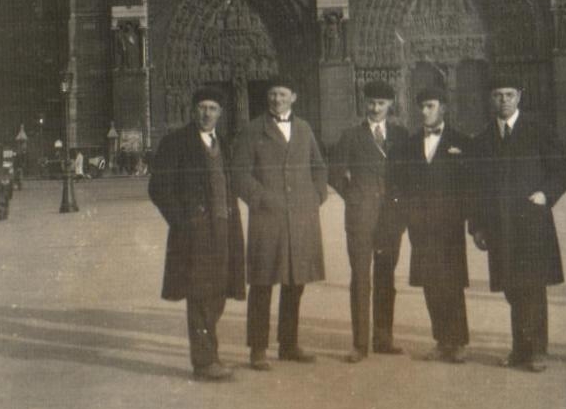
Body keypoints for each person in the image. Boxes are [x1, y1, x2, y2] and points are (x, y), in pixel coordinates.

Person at [468, 78, 566, 371]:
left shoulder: (538, 131)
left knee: (533, 287)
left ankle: (537, 351)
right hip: (500, 226)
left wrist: (546, 194)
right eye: (498, 95)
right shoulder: (484, 139)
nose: (504, 100)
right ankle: (520, 349)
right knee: (512, 289)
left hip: (532, 223)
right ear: (491, 98)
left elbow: (561, 169)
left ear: (519, 97)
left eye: (509, 94)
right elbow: (475, 187)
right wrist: (477, 226)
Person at [147, 87, 246, 382]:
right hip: (194, 232)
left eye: (213, 108)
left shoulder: (223, 144)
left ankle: (209, 353)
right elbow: (158, 189)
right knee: (200, 294)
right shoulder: (175, 142)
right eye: (202, 107)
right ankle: (204, 362)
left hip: (224, 229)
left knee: (217, 293)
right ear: (192, 110)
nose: (207, 113)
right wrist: (182, 222)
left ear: (220, 113)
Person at [231, 79, 328, 370]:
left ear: (293, 97)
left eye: (283, 94)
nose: (277, 99)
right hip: (267, 220)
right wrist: (260, 199)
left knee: (295, 283)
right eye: (272, 94)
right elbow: (239, 174)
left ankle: (289, 344)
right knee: (262, 284)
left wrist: (316, 196)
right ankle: (258, 349)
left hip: (301, 218)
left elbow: (319, 167)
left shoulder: (305, 129)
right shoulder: (252, 130)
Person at [330, 80, 408, 362]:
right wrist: (354, 196)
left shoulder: (401, 135)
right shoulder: (351, 135)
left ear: (390, 104)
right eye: (371, 103)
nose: (376, 108)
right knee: (361, 278)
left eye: (381, 103)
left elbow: (408, 174)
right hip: (360, 217)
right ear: (365, 104)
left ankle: (384, 339)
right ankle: (360, 344)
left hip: (391, 218)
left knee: (386, 276)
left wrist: (399, 202)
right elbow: (335, 173)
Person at [395, 79, 470, 362]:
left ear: (443, 109)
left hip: (449, 228)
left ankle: (459, 341)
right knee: (430, 284)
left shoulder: (461, 142)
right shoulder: (410, 145)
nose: (425, 112)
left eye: (430, 106)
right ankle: (441, 340)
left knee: (451, 283)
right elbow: (401, 184)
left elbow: (469, 185)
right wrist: (409, 216)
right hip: (421, 228)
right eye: (422, 107)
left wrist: (466, 219)